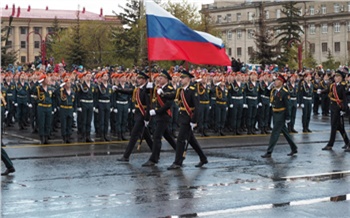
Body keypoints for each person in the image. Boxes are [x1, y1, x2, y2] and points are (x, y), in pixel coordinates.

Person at [167, 70, 208, 170]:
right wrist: (162, 94)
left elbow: (197, 107)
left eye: (183, 78)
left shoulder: (193, 90)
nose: (181, 80)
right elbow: (172, 95)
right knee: (191, 140)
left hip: (189, 119)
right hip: (183, 118)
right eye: (181, 78)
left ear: (188, 79)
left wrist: (194, 121)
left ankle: (178, 162)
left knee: (180, 140)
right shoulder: (181, 90)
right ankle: (203, 158)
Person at [142, 70, 177, 167]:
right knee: (168, 136)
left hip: (164, 115)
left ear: (166, 79)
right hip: (158, 116)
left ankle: (154, 159)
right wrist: (147, 88)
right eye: (159, 77)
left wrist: (156, 111)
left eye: (161, 78)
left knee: (157, 137)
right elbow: (147, 95)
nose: (159, 79)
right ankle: (180, 152)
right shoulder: (157, 87)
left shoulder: (169, 88)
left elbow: (168, 105)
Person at [117, 72, 153, 162]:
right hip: (138, 114)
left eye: (140, 79)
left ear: (144, 80)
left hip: (142, 115)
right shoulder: (138, 89)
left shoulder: (147, 90)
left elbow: (149, 105)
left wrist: (147, 118)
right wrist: (118, 89)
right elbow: (129, 91)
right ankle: (155, 152)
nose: (138, 80)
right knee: (147, 135)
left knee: (134, 135)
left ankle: (126, 156)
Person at [261, 75, 298, 158]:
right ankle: (294, 148)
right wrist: (268, 88)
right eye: (275, 80)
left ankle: (269, 152)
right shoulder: (273, 90)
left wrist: (288, 117)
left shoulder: (285, 92)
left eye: (277, 81)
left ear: (281, 82)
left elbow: (287, 105)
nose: (275, 82)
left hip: (281, 114)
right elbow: (265, 95)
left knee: (275, 132)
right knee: (285, 132)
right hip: (275, 112)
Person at [322, 70, 350, 152]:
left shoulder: (343, 86)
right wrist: (322, 92)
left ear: (341, 78)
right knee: (339, 127)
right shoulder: (332, 85)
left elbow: (345, 99)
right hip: (333, 108)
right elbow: (328, 91)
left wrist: (344, 109)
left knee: (334, 126)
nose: (337, 78)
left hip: (339, 108)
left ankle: (330, 144)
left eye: (338, 77)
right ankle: (347, 142)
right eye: (336, 77)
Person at [35, 74, 55, 144]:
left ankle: (46, 136)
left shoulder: (50, 88)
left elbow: (53, 98)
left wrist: (53, 108)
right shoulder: (38, 88)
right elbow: (32, 90)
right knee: (42, 122)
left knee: (48, 123)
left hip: (49, 107)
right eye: (46, 80)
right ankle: (42, 137)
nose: (48, 81)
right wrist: (39, 81)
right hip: (41, 106)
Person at [57, 76, 76, 143]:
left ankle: (69, 135)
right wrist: (61, 86)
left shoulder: (72, 92)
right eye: (67, 83)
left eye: (69, 83)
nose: (69, 84)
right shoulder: (62, 91)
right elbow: (56, 92)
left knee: (69, 123)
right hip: (63, 108)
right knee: (64, 123)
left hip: (70, 108)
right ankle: (64, 136)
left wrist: (74, 110)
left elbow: (75, 102)